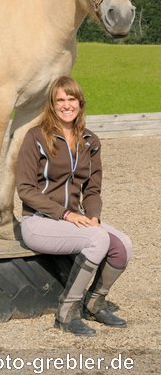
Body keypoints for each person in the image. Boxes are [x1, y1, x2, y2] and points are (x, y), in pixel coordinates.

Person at [16, 76, 132, 337]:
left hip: (74, 218)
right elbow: (25, 189)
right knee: (97, 241)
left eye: (71, 99)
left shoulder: (91, 140)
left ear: (80, 102)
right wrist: (65, 214)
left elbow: (92, 189)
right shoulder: (35, 137)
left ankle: (95, 302)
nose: (66, 105)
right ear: (52, 105)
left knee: (123, 245)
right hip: (38, 221)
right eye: (60, 100)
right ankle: (66, 314)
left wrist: (93, 216)